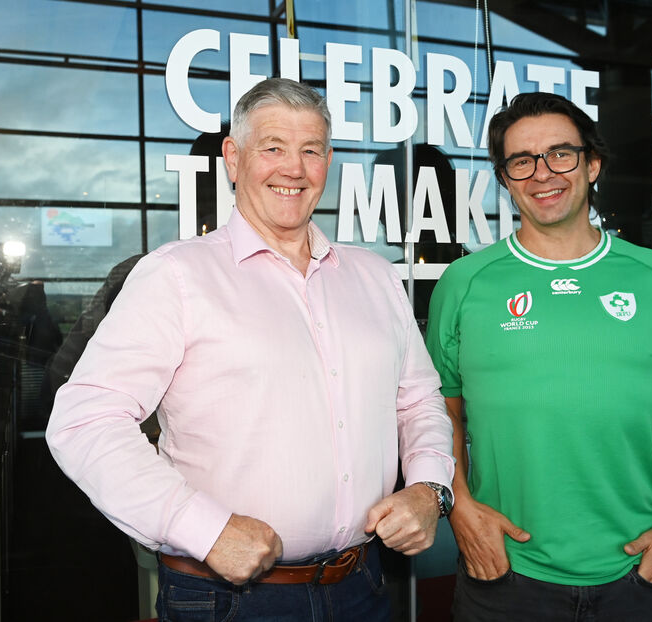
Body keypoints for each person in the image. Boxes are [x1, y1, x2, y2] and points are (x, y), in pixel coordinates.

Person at [46, 78, 454, 622]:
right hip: (225, 601)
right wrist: (200, 527)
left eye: (311, 150)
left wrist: (430, 487)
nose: (294, 168)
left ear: (328, 162)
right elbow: (83, 421)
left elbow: (419, 400)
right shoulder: (176, 276)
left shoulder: (375, 277)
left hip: (363, 587)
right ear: (233, 159)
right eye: (274, 148)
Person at [425, 92, 652, 621]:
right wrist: (462, 510)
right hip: (503, 571)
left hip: (636, 574)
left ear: (593, 164)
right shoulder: (465, 282)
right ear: (505, 178)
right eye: (522, 161)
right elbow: (436, 411)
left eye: (560, 154)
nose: (543, 173)